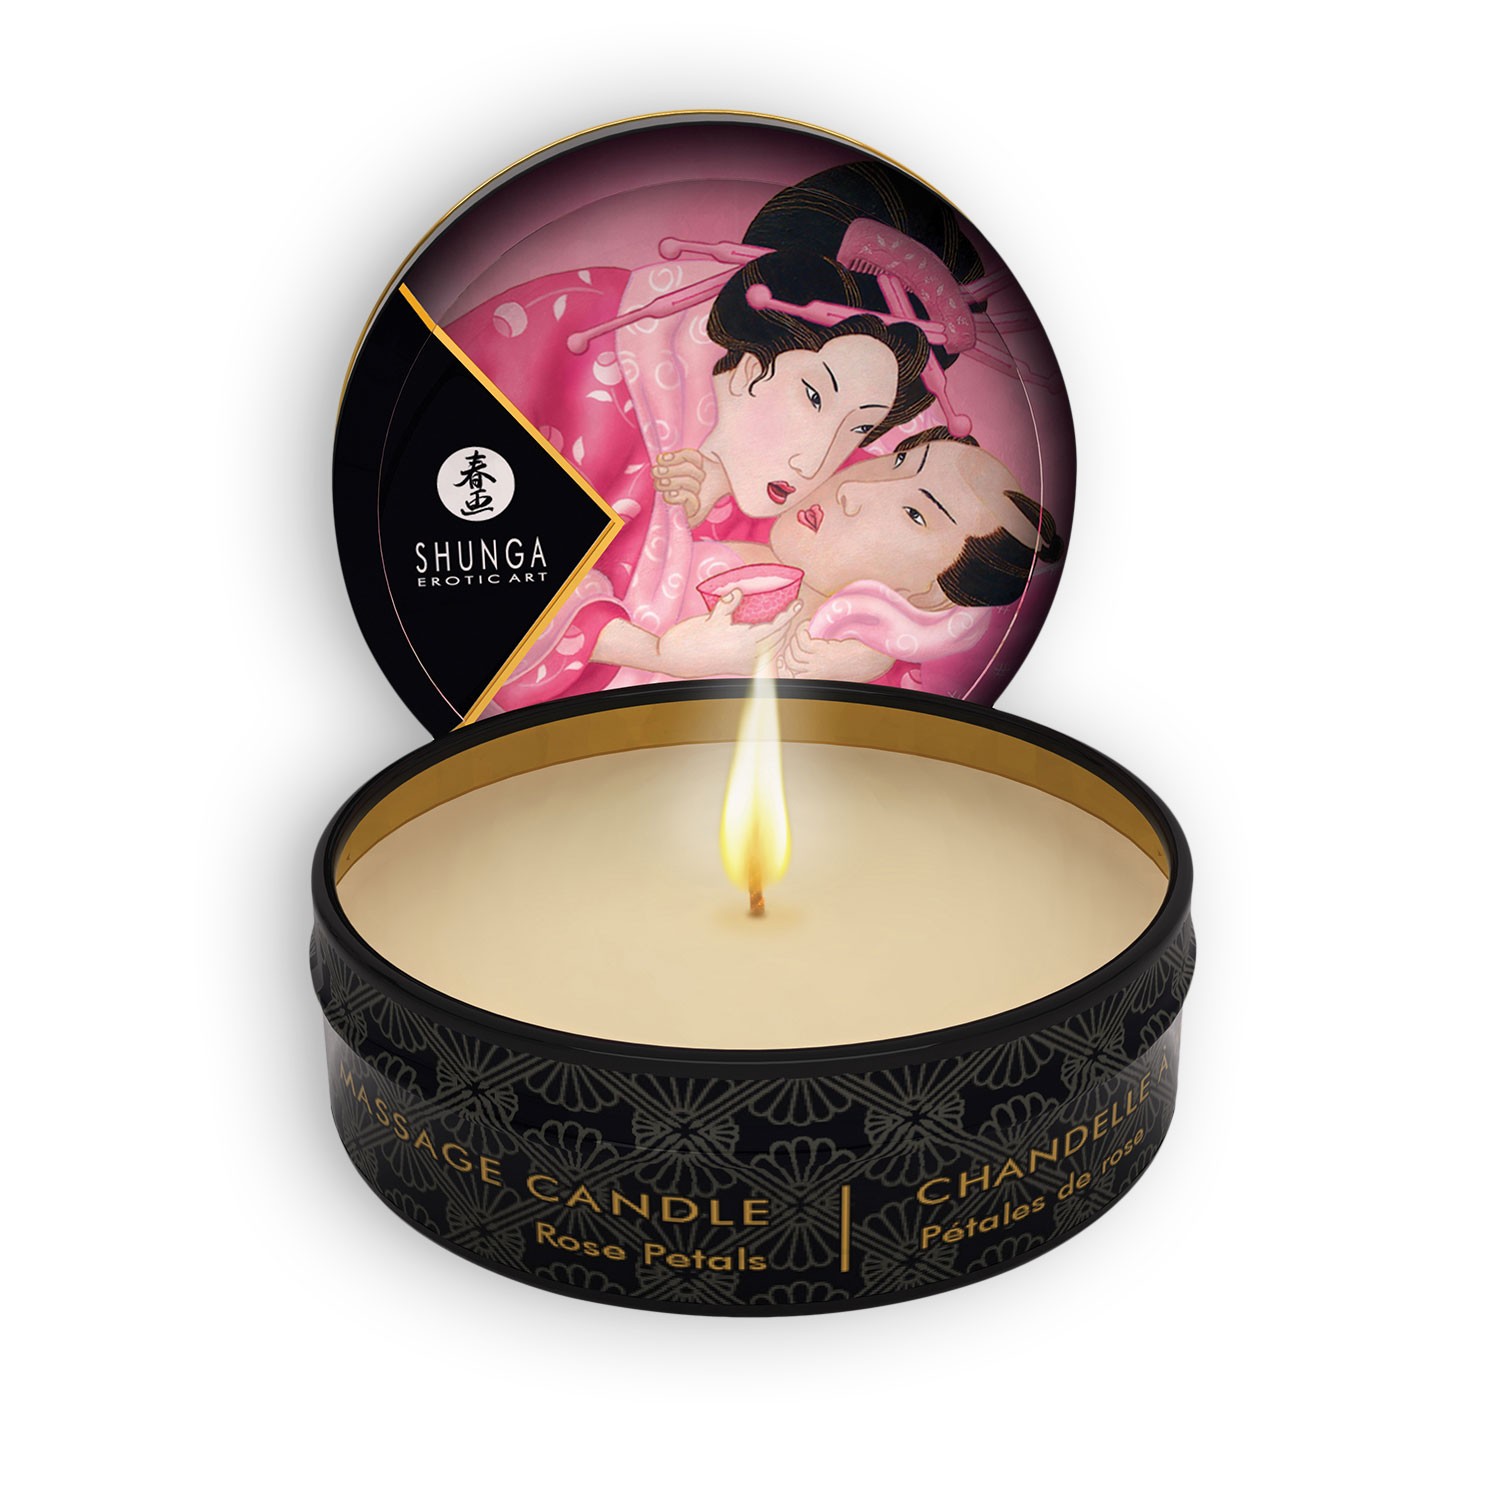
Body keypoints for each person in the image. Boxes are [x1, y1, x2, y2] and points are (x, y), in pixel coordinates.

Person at [490, 429, 1063, 705]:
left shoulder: (839, 663)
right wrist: (706, 492)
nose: (855, 489)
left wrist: (659, 655)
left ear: (934, 595)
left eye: (915, 513)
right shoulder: (730, 507)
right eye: (898, 461)